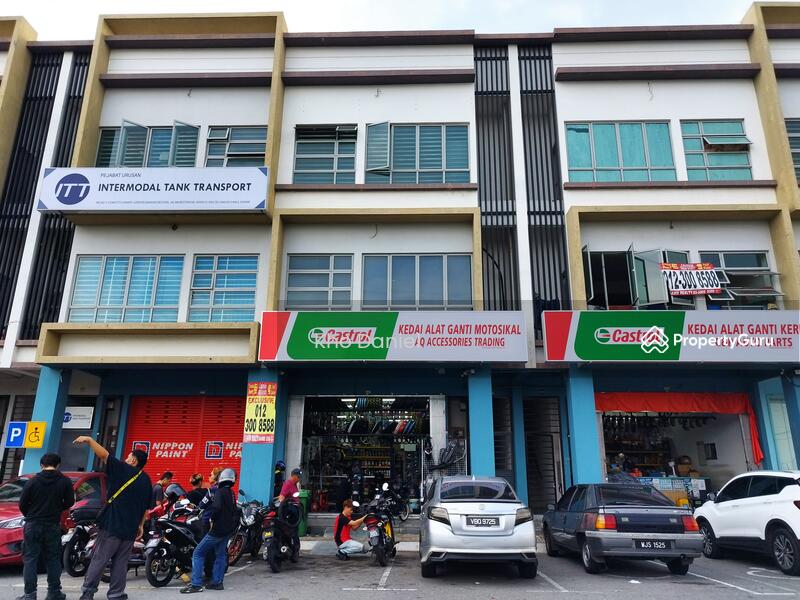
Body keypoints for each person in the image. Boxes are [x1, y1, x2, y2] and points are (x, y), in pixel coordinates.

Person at [74, 436, 151, 600]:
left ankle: (88, 592)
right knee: (121, 562)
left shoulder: (123, 469)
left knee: (100, 558)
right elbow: (146, 507)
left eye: (129, 456)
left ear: (134, 460)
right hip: (130, 527)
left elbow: (104, 455)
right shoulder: (146, 479)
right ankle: (116, 594)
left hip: (112, 524)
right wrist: (140, 525)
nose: (126, 459)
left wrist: (89, 440)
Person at [17, 453, 75, 600]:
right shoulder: (65, 481)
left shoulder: (32, 481)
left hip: (33, 524)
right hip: (52, 524)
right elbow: (70, 502)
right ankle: (54, 592)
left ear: (41, 465)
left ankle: (30, 595)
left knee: (30, 559)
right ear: (58, 465)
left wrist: (31, 514)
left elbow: (22, 504)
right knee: (53, 558)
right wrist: (57, 508)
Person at [181, 468, 238, 594]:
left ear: (220, 478)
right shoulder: (231, 493)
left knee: (198, 553)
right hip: (227, 530)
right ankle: (217, 582)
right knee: (220, 554)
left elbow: (214, 507)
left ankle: (196, 584)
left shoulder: (217, 491)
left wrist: (212, 519)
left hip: (216, 530)